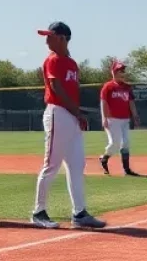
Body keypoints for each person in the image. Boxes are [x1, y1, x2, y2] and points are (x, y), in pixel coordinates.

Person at [31, 22, 105, 230]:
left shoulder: (71, 63)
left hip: (70, 116)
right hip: (57, 113)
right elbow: (56, 88)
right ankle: (38, 212)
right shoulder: (52, 60)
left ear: (62, 38)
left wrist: (77, 114)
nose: (46, 40)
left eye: (50, 36)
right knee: (51, 165)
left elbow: (72, 92)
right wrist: (76, 112)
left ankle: (79, 213)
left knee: (76, 165)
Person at [100, 62, 140, 176]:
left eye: (123, 71)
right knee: (114, 144)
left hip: (125, 119)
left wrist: (135, 115)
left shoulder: (127, 87)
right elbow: (103, 102)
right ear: (113, 72)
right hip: (112, 119)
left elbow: (131, 102)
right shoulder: (108, 86)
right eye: (119, 70)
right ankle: (104, 158)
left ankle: (127, 170)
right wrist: (104, 118)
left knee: (126, 143)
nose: (122, 73)